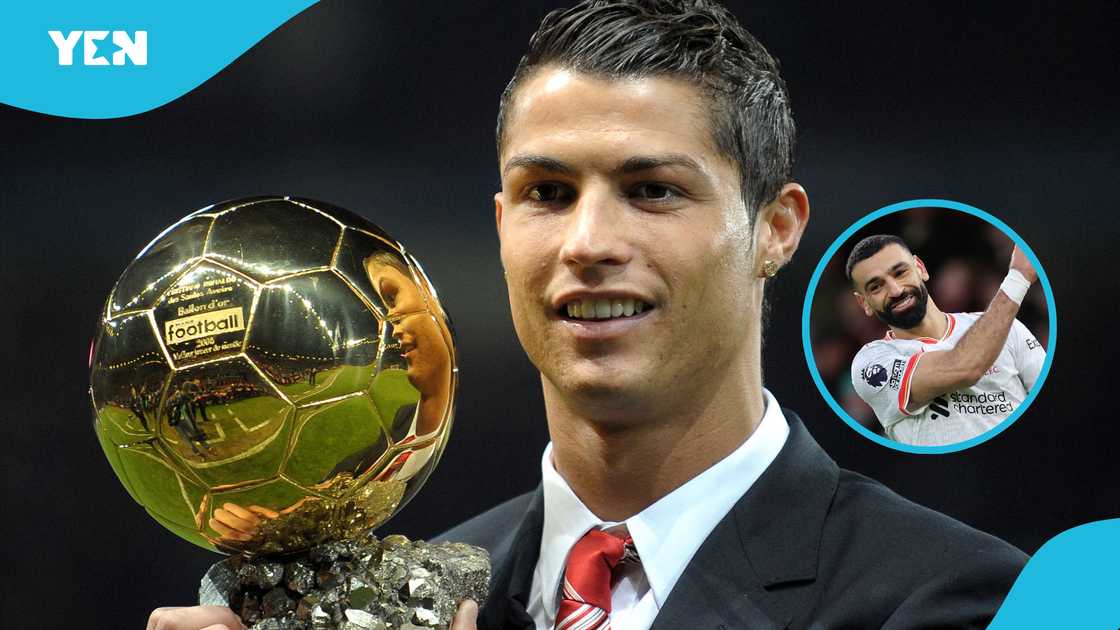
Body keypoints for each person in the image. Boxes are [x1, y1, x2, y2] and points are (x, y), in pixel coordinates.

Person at [146, 1, 1027, 629]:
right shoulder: (410, 601)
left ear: (776, 229)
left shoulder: (956, 598)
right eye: (548, 193)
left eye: (652, 190)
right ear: (501, 229)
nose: (588, 240)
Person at [847, 234, 1045, 446]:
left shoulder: (1009, 328)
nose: (896, 290)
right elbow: (964, 368)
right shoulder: (871, 363)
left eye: (900, 272)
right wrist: (1018, 277)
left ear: (920, 269)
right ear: (864, 303)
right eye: (876, 287)